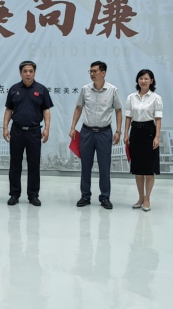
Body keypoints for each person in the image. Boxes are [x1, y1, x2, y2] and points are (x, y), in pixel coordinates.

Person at [69, 61, 123, 209]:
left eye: (95, 71)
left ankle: (105, 197)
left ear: (103, 73)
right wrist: (73, 127)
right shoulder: (85, 89)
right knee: (85, 165)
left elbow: (118, 110)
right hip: (87, 132)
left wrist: (118, 131)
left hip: (104, 132)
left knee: (104, 166)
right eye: (91, 71)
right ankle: (85, 196)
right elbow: (78, 108)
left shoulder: (112, 90)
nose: (92, 74)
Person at [3, 61, 53, 206]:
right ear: (20, 73)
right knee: (15, 164)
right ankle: (14, 194)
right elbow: (8, 110)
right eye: (25, 71)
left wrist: (47, 129)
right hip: (17, 131)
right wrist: (5, 128)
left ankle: (33, 195)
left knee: (34, 165)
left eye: (31, 71)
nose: (28, 74)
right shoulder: (14, 89)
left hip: (34, 132)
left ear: (34, 73)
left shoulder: (41, 90)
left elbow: (46, 110)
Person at [124, 69, 163, 211]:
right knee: (138, 168)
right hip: (135, 132)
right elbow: (128, 117)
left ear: (151, 81)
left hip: (149, 132)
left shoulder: (156, 98)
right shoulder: (131, 97)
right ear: (137, 80)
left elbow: (158, 119)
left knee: (149, 168)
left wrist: (157, 136)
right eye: (141, 78)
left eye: (146, 78)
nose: (143, 81)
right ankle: (140, 197)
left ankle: (147, 199)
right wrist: (126, 134)